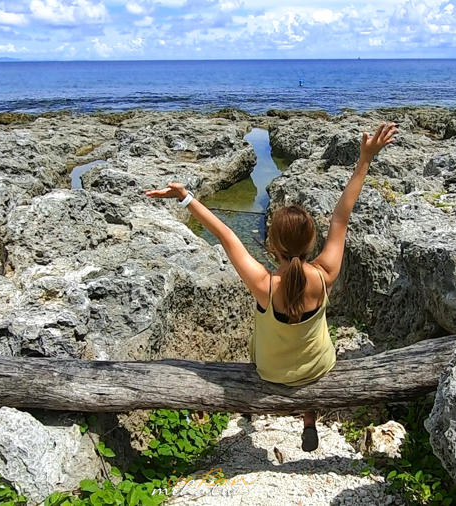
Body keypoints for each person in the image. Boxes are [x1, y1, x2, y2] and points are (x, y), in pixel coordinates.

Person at [145, 121, 398, 452]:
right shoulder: (325, 275)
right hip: (318, 368)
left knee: (271, 345)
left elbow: (226, 235)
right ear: (311, 242)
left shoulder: (264, 284)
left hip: (271, 372)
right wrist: (365, 158)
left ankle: (269, 414)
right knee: (313, 347)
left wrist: (186, 198)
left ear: (271, 245)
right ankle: (309, 420)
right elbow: (341, 217)